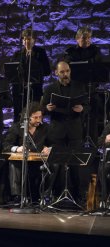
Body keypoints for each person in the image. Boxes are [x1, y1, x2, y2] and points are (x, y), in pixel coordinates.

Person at [41, 61, 87, 203]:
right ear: (56, 73)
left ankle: (78, 196)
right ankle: (55, 195)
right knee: (57, 165)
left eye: (67, 71)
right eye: (62, 72)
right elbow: (42, 108)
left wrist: (82, 109)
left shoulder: (79, 86)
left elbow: (89, 106)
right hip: (57, 131)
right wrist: (47, 109)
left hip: (74, 131)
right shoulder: (50, 88)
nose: (65, 74)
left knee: (75, 165)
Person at [3, 102, 51, 202]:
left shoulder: (45, 128)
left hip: (39, 161)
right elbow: (6, 145)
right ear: (27, 117)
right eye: (35, 117)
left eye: (40, 117)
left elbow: (54, 144)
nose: (39, 120)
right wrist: (17, 148)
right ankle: (17, 196)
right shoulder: (17, 128)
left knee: (53, 165)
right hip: (22, 162)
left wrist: (49, 149)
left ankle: (43, 195)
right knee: (13, 164)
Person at [64, 26, 103, 144]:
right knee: (77, 120)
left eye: (89, 38)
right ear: (77, 39)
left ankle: (93, 147)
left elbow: (99, 66)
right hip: (76, 91)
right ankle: (77, 145)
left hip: (92, 90)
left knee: (93, 120)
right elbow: (68, 65)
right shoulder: (71, 52)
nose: (87, 40)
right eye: (84, 38)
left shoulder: (95, 50)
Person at [11, 29, 51, 122]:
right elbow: (12, 71)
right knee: (19, 115)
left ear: (34, 40)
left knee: (34, 113)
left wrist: (32, 58)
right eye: (24, 39)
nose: (26, 41)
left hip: (34, 90)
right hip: (20, 92)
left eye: (29, 39)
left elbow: (47, 71)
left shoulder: (40, 53)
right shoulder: (18, 54)